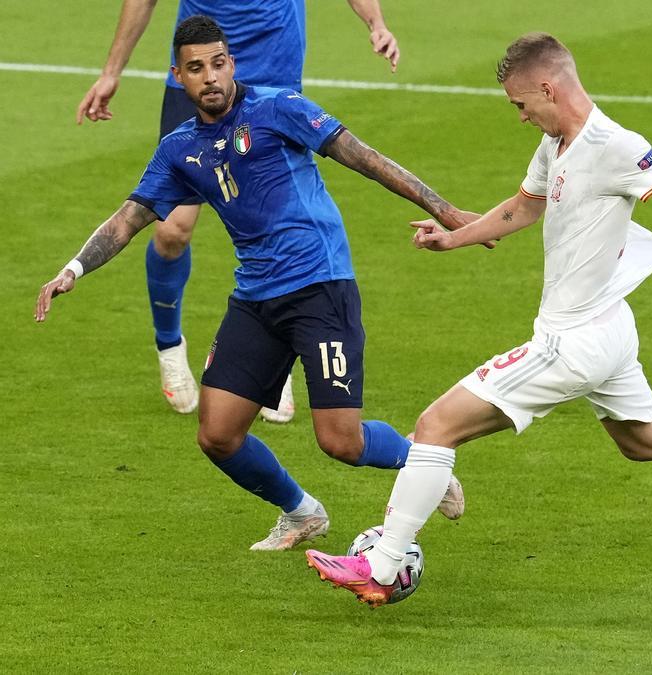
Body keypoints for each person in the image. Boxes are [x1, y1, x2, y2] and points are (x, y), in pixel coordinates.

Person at [303, 32, 652, 607]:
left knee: (435, 426)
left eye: (521, 104)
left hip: (572, 340)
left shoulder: (614, 145)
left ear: (548, 88)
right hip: (610, 329)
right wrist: (455, 238)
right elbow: (522, 208)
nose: (522, 116)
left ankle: (381, 566)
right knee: (645, 442)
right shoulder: (556, 144)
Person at [38, 16, 470, 551]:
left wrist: (442, 207)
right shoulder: (180, 148)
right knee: (217, 435)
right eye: (196, 69)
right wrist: (73, 269)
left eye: (218, 63)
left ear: (231, 63)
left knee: (341, 441)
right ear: (179, 77)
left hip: (320, 287)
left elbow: (364, 158)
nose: (210, 77)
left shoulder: (278, 108)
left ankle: (423, 462)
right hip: (256, 298)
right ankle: (302, 512)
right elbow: (130, 218)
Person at [77, 0, 402, 422]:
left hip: (273, 66)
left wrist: (375, 22)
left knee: (273, 213)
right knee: (172, 231)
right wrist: (111, 71)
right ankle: (169, 345)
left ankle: (277, 355)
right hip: (196, 71)